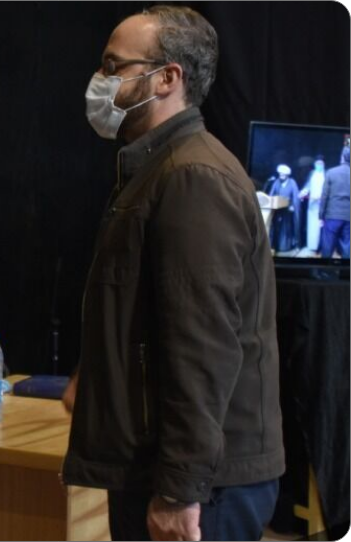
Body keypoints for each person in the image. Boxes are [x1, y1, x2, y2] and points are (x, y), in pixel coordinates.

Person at [63, 6, 283, 541]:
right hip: (168, 468)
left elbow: (201, 348)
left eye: (113, 66)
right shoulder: (156, 169)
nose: (100, 81)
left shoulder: (191, 177)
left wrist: (180, 490)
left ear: (167, 78)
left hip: (203, 486)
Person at [319, 145, 351, 258]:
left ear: (342, 157)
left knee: (327, 247)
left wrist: (320, 215)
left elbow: (324, 196)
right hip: (349, 217)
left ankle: (325, 269)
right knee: (347, 248)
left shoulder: (331, 172)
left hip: (332, 216)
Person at [264, 164, 300, 253]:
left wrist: (293, 206)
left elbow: (295, 197)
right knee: (277, 228)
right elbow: (271, 195)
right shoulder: (276, 182)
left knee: (286, 230)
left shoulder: (292, 182)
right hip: (278, 210)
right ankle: (276, 246)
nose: (281, 176)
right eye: (280, 174)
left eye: (283, 174)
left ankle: (286, 247)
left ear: (287, 175)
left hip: (288, 211)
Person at [300, 157, 326, 252]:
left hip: (322, 204)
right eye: (317, 164)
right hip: (312, 204)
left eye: (320, 164)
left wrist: (321, 197)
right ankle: (312, 246)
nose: (319, 165)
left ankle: (320, 246)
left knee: (320, 226)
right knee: (312, 225)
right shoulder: (312, 173)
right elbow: (308, 186)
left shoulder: (326, 174)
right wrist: (303, 192)